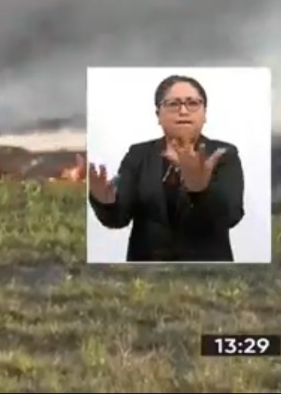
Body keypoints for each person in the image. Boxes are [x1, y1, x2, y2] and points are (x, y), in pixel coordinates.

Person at [87, 74, 245, 262]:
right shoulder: (138, 154)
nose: (184, 111)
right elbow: (118, 219)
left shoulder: (223, 154)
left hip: (207, 270)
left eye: (193, 103)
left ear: (205, 114)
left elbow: (232, 216)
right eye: (173, 104)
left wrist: (200, 191)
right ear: (158, 115)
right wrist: (105, 202)